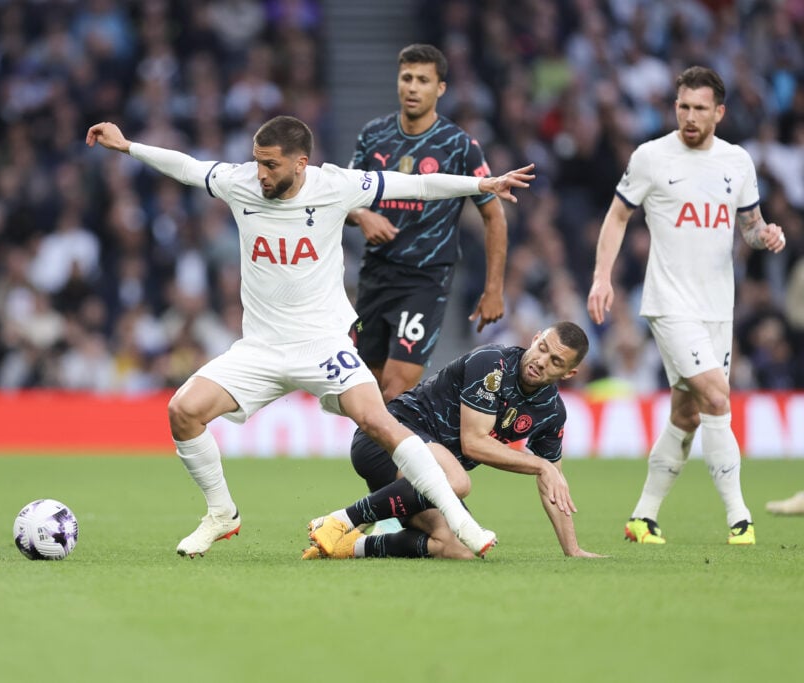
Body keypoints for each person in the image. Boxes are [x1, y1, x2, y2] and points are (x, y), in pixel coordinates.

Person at [86, 115, 536, 558]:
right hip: (260, 348)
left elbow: (415, 185)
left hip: (323, 343)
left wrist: (480, 186)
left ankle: (462, 522)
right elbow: (185, 166)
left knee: (380, 422)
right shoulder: (238, 182)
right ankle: (221, 513)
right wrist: (128, 146)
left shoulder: (335, 186)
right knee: (182, 411)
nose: (261, 174)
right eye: (258, 162)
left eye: (272, 165)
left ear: (301, 162)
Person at [586, 66, 786, 546]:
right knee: (717, 397)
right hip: (669, 302)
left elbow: (750, 227)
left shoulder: (737, 162)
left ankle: (643, 517)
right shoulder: (651, 157)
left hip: (718, 306)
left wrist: (767, 236)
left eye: (699, 108)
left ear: (719, 112)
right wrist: (601, 276)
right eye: (682, 106)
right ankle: (740, 517)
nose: (689, 116)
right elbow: (617, 217)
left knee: (688, 413)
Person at [304, 322, 604, 560]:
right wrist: (541, 465)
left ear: (570, 372)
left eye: (555, 361)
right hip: (388, 440)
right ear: (536, 337)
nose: (541, 361)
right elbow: (474, 443)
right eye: (541, 348)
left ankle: (352, 546)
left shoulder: (551, 412)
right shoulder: (493, 364)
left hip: (426, 477)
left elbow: (554, 484)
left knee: (456, 549)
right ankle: (339, 521)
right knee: (456, 480)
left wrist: (572, 549)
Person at [347, 44, 508, 403]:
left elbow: (493, 213)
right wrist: (361, 214)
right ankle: (385, 460)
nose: (413, 87)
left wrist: (493, 287)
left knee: (397, 386)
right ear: (398, 82)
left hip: (425, 277)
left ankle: (406, 459)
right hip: (375, 273)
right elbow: (339, 196)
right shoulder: (374, 136)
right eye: (407, 78)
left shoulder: (459, 146)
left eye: (423, 80)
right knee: (367, 390)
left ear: (440, 88)